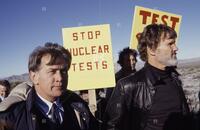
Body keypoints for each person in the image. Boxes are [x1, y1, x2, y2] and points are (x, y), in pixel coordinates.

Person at [104, 24, 190, 130]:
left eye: (174, 43)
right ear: (152, 49)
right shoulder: (126, 86)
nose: (176, 48)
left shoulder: (175, 78)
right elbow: (111, 126)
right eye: (170, 44)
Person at [0, 43, 98, 130]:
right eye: (52, 71)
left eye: (63, 71)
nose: (60, 78)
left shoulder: (78, 105)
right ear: (34, 77)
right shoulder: (12, 116)